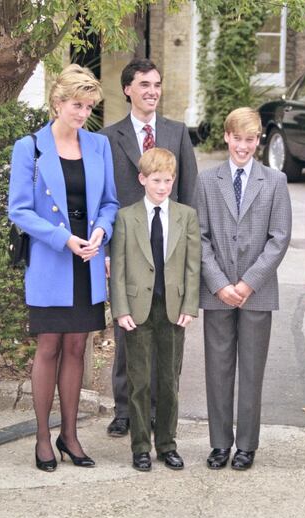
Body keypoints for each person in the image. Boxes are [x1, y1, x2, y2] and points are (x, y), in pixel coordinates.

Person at [8, 64, 119, 471]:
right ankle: (42, 437)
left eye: (89, 106)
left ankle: (70, 435)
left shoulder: (98, 146)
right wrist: (63, 238)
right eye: (77, 104)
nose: (83, 113)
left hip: (86, 259)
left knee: (77, 346)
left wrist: (101, 233)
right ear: (57, 103)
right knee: (49, 346)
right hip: (52, 258)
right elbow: (18, 210)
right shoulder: (30, 148)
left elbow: (110, 202)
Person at [100, 58, 199, 438]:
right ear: (127, 89)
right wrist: (108, 250)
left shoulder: (177, 132)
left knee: (168, 330)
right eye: (143, 85)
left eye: (157, 84)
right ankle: (125, 409)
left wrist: (192, 250)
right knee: (130, 329)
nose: (152, 91)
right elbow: (104, 199)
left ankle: (161, 408)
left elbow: (190, 194)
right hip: (130, 248)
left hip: (171, 245)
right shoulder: (110, 138)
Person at [195, 107, 292, 470]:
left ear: (258, 141)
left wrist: (248, 282)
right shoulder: (207, 181)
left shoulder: (275, 181)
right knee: (218, 370)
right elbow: (200, 238)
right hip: (217, 292)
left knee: (252, 370)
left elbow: (279, 238)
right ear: (226, 137)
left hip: (257, 292)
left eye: (250, 140)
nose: (243, 146)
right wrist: (220, 284)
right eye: (238, 138)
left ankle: (247, 445)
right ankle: (220, 443)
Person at [109, 147, 201, 472]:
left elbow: (193, 265)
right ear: (142, 179)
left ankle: (167, 444)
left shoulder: (186, 216)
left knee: (168, 380)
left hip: (172, 308)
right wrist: (120, 309)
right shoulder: (126, 216)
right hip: (137, 309)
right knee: (139, 380)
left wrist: (190, 304)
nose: (162, 187)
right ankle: (140, 447)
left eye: (168, 181)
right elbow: (118, 267)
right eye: (156, 180)